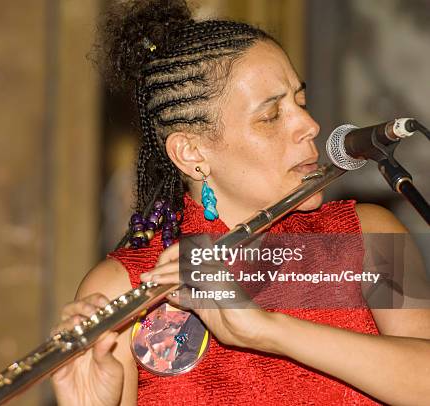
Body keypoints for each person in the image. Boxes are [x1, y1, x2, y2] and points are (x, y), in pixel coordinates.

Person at [50, 1, 430, 405]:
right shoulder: (125, 286)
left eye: (300, 103)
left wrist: (266, 329)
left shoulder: (366, 234)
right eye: (272, 116)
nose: (309, 126)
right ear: (192, 152)